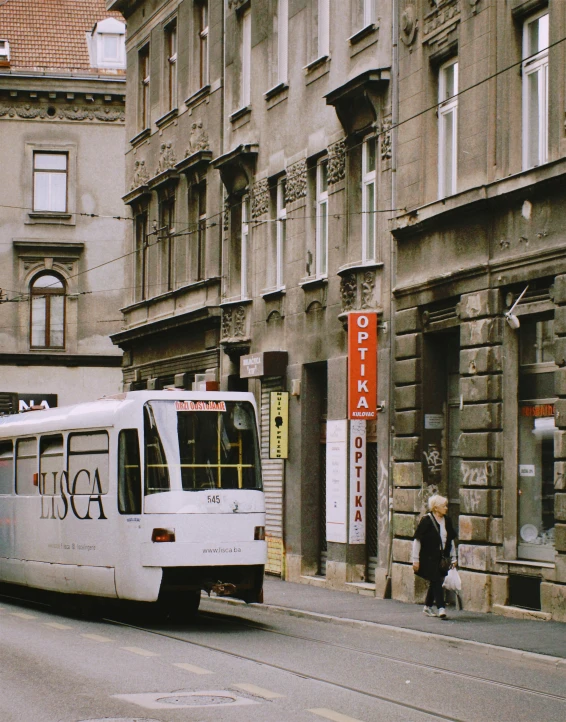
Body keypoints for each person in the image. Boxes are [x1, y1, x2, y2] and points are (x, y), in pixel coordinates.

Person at [412, 494, 457, 619]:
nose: (446, 508)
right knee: (437, 579)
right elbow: (417, 540)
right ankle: (441, 607)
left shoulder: (447, 520)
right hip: (428, 557)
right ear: (436, 508)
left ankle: (427, 606)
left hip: (442, 557)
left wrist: (454, 557)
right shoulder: (426, 520)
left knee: (435, 580)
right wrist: (415, 560)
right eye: (444, 506)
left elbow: (451, 539)